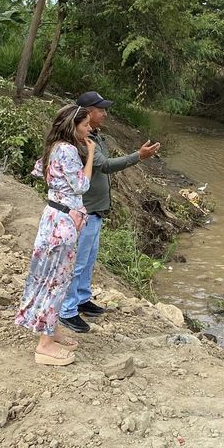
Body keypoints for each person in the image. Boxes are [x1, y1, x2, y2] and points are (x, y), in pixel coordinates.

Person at [59, 91, 160, 334]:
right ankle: (67, 310)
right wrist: (138, 156)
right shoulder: (81, 140)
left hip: (95, 210)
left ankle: (82, 298)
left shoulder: (95, 135)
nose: (105, 114)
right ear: (86, 113)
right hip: (84, 211)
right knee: (78, 262)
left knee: (88, 259)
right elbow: (104, 165)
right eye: (100, 109)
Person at [15, 105, 96, 366]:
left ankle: (50, 330)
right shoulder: (68, 150)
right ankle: (45, 345)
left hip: (54, 217)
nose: (89, 129)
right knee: (56, 280)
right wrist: (90, 155)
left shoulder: (54, 147)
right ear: (73, 126)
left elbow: (41, 172)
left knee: (48, 277)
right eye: (85, 125)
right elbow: (82, 185)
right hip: (62, 224)